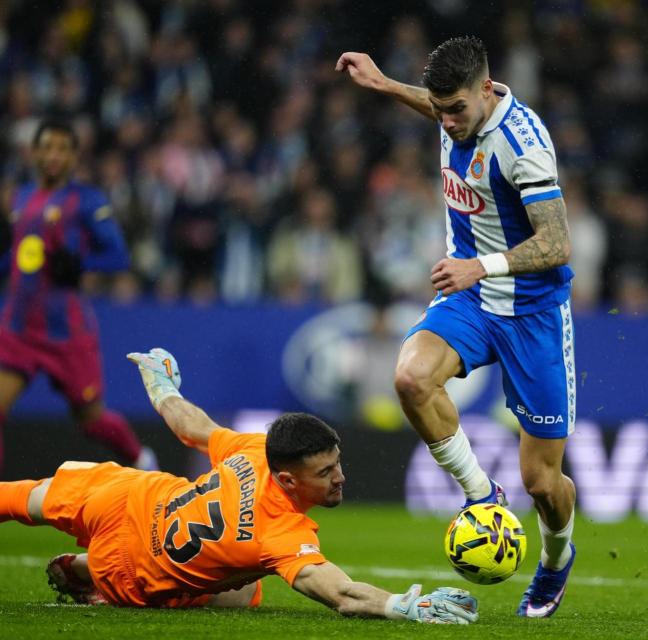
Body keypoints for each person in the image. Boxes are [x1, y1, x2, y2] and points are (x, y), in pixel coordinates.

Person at [337, 36, 578, 618]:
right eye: (439, 109)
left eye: (455, 110)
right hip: (469, 301)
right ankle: (481, 495)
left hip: (532, 312)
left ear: (487, 91)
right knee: (411, 379)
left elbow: (557, 243)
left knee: (543, 483)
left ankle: (555, 559)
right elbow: (439, 104)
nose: (445, 122)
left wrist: (480, 265)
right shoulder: (458, 111)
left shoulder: (524, 144)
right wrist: (385, 84)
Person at [0, 347, 478, 624]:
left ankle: (87, 565)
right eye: (325, 473)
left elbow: (193, 427)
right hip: (130, 574)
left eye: (337, 464)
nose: (340, 478)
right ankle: (90, 572)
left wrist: (161, 388)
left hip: (125, 497)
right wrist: (404, 606)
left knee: (17, 497)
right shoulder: (282, 535)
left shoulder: (255, 449)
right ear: (287, 479)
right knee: (245, 592)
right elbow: (343, 594)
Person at [0, 119, 156, 474]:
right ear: (34, 153)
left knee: (91, 420)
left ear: (74, 156)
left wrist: (79, 263)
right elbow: (19, 255)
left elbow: (119, 256)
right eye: (47, 147)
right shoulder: (21, 197)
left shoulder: (86, 200)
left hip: (65, 331)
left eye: (62, 149)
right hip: (18, 327)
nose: (53, 156)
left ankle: (141, 459)